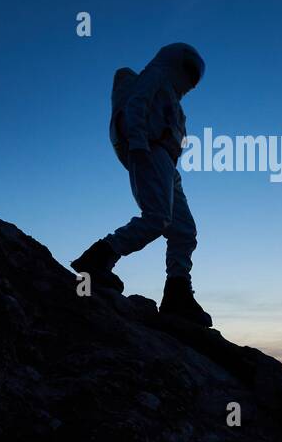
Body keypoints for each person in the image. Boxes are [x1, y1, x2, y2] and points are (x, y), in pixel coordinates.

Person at [71, 43, 213, 327]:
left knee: (184, 230)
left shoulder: (174, 99)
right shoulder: (156, 76)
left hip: (166, 163)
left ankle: (177, 291)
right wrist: (137, 142)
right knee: (157, 217)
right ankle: (97, 259)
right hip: (148, 149)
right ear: (177, 62)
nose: (192, 80)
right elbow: (137, 103)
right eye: (190, 72)